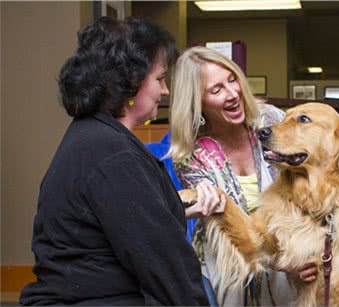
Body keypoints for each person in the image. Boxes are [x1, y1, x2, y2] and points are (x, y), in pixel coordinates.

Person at [19, 17, 209, 305]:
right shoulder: (112, 153)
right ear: (131, 83)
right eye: (159, 79)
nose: (166, 90)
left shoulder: (90, 137)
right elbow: (165, 264)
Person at [168, 46, 316, 306]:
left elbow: (310, 178)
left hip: (292, 258)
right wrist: (284, 261)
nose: (232, 93)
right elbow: (235, 229)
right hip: (230, 271)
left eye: (232, 79)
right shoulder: (192, 156)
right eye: (216, 90)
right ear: (197, 101)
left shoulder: (270, 120)